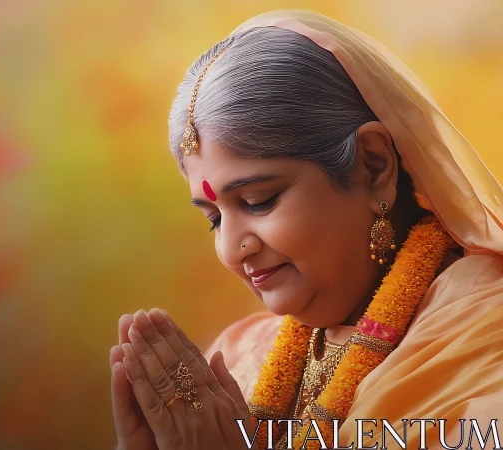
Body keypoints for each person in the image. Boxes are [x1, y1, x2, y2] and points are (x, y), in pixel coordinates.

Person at [109, 9, 503, 450]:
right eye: (213, 219)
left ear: (373, 165)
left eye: (258, 201)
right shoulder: (237, 363)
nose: (231, 248)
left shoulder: (484, 343)